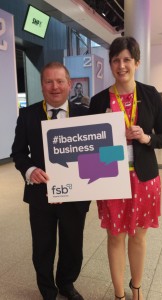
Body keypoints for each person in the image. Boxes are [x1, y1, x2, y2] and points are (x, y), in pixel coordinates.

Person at [89, 36, 162, 300]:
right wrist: (111, 143)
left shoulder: (150, 95)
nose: (121, 65)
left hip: (144, 179)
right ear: (110, 64)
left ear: (137, 62)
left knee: (138, 237)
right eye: (115, 60)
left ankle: (136, 288)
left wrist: (147, 138)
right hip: (111, 177)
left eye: (126, 60)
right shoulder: (99, 101)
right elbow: (91, 147)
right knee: (115, 237)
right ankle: (119, 294)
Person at [11, 62, 90, 300]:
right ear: (42, 85)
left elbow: (98, 153)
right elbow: (18, 153)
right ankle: (47, 290)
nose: (54, 87)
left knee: (73, 246)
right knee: (43, 247)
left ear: (69, 84)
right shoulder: (28, 115)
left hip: (75, 195)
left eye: (59, 81)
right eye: (48, 81)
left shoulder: (85, 115)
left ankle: (66, 284)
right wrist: (30, 169)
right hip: (40, 195)